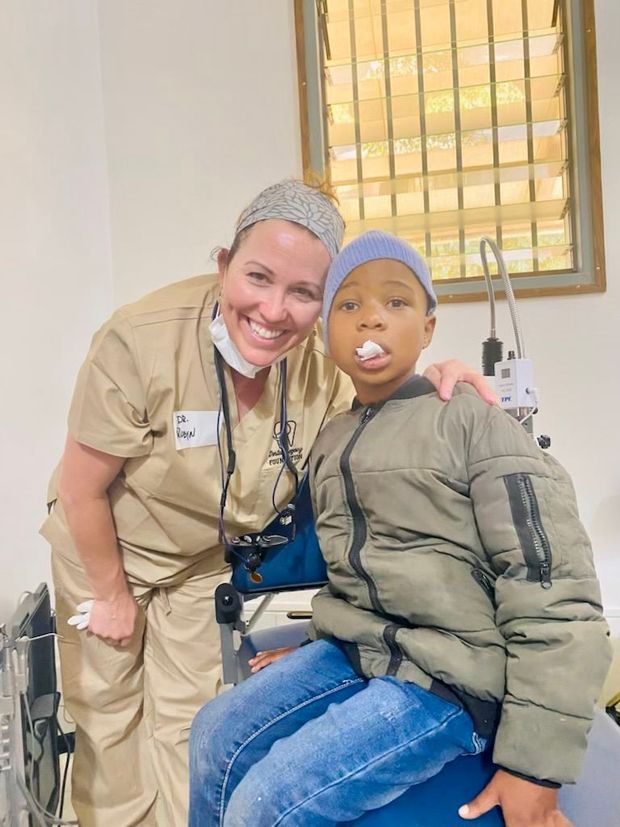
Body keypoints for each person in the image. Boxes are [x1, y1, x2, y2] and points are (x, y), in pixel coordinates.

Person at [40, 182, 494, 827]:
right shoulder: (139, 340)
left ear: (324, 300)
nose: (274, 310)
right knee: (108, 720)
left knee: (189, 724)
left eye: (304, 293)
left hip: (200, 564)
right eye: (257, 277)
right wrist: (112, 596)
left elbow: (383, 387)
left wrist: (438, 379)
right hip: (104, 548)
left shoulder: (321, 361)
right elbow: (83, 487)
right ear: (224, 264)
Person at [188, 230, 612, 827]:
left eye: (396, 303)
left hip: (450, 676)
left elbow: (556, 592)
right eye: (349, 305)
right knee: (213, 731)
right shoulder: (334, 438)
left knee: (267, 803)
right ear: (326, 332)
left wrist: (534, 769)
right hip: (360, 651)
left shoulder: (472, 421)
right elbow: (358, 569)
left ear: (430, 327)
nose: (371, 323)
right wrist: (310, 646)